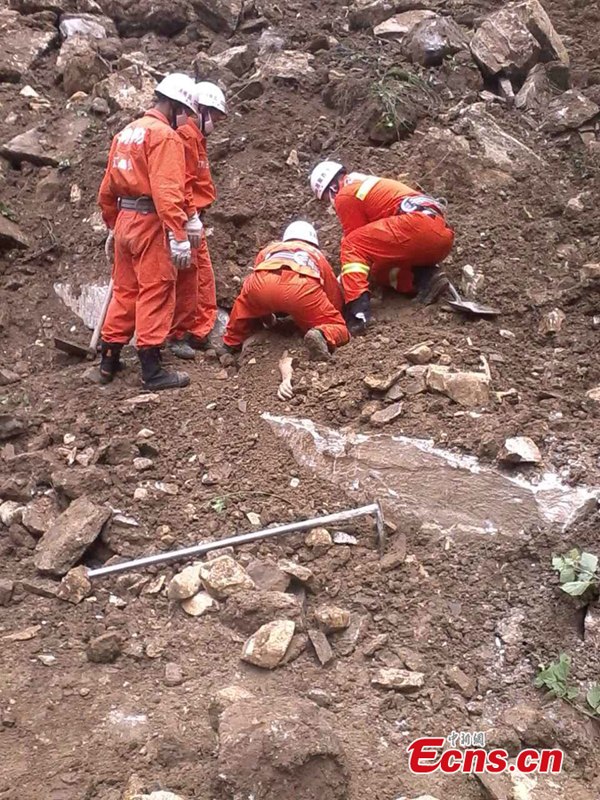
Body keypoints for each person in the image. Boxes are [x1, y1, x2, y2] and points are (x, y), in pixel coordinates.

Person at [97, 73, 199, 390]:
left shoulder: (127, 132)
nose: (186, 121)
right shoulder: (165, 137)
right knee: (156, 289)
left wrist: (114, 224)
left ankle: (109, 360)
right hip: (150, 223)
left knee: (126, 291)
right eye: (185, 113)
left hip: (126, 219)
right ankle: (152, 370)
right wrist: (179, 236)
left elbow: (106, 189)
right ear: (175, 106)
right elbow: (167, 192)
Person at [309, 161, 455, 334]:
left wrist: (343, 286)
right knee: (380, 270)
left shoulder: (345, 195)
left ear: (331, 189)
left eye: (326, 199)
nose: (330, 203)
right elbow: (372, 245)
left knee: (351, 244)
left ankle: (357, 312)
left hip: (416, 227)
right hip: (439, 236)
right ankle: (426, 279)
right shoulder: (367, 186)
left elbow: (354, 243)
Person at [223, 221, 349, 360]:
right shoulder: (317, 254)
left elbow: (257, 274)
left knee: (245, 304)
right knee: (339, 327)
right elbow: (332, 293)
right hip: (301, 288)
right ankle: (323, 335)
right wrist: (334, 315)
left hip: (262, 283)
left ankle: (231, 343)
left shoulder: (270, 249)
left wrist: (265, 314)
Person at [167, 81, 228, 360]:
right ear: (200, 109)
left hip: (194, 216)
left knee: (203, 277)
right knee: (190, 278)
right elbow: (184, 182)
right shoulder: (186, 137)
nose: (216, 122)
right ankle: (179, 334)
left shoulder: (197, 138)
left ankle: (199, 332)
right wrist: (190, 217)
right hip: (186, 217)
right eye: (214, 115)